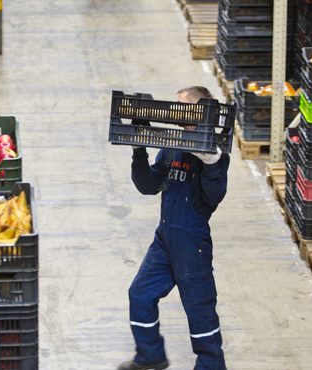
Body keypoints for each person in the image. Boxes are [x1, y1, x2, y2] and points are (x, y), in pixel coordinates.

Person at [119, 86, 230, 370]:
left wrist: (212, 165)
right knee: (140, 294)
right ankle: (151, 356)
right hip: (165, 238)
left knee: (200, 309)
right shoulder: (172, 144)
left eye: (182, 107)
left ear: (199, 110)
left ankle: (211, 366)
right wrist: (138, 152)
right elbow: (149, 185)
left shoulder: (214, 151)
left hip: (192, 243)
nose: (175, 112)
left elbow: (213, 198)